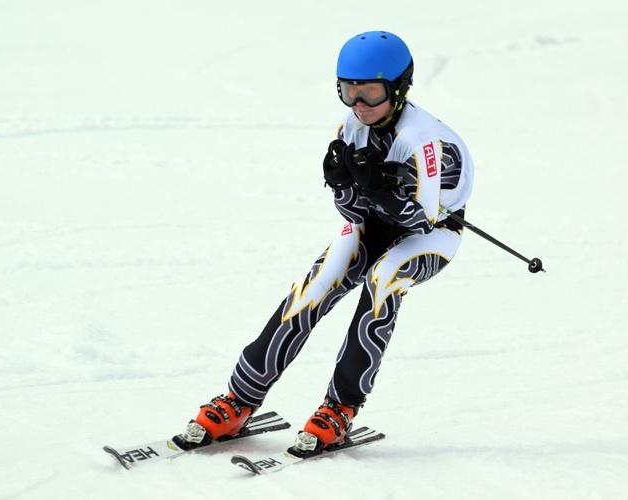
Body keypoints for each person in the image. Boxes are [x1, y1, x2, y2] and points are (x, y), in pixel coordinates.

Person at [178, 30, 474, 454]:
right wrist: (344, 189)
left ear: (399, 88)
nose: (359, 105)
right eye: (348, 91)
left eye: (370, 93)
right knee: (319, 282)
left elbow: (421, 220)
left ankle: (341, 408)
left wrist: (380, 192)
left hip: (431, 236)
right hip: (374, 224)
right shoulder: (352, 125)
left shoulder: (425, 140)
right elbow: (354, 216)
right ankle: (240, 398)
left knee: (382, 281)